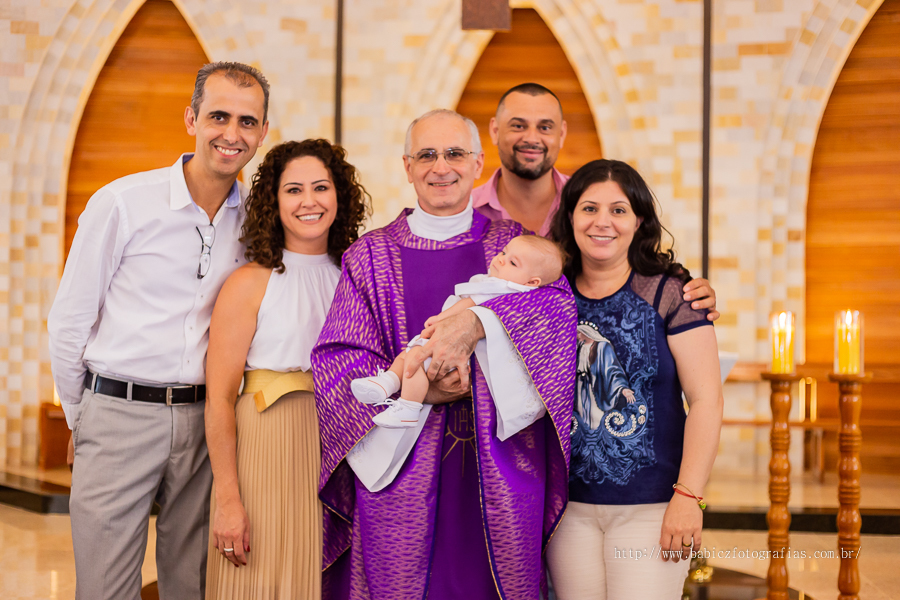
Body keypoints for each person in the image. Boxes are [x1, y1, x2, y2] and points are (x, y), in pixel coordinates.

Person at [312, 109, 577, 600]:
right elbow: (339, 359)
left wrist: (480, 322)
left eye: (455, 153)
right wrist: (422, 392)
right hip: (398, 465)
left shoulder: (512, 244)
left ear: (478, 162)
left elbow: (557, 316)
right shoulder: (370, 256)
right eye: (427, 155)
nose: (442, 167)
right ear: (407, 166)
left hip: (500, 463)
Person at [47, 61, 269, 600]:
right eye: (219, 116)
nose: (231, 134)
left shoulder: (258, 221)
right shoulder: (123, 203)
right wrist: (86, 418)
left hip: (205, 422)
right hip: (118, 412)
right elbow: (69, 321)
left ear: (263, 133)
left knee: (191, 585)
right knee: (104, 588)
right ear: (191, 119)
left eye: (247, 121)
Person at [545, 159, 724, 599]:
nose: (602, 222)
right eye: (589, 208)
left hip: (653, 505)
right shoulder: (548, 295)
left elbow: (707, 401)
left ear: (639, 219)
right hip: (568, 508)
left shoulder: (672, 293)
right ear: (570, 216)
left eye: (618, 210)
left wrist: (689, 497)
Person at [204, 139, 371, 599]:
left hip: (339, 447)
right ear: (273, 202)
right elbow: (218, 397)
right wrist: (228, 499)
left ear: (340, 195)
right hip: (265, 444)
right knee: (260, 576)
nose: (309, 201)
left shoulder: (357, 278)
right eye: (293, 190)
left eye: (320, 187)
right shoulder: (248, 283)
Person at [469, 83, 720, 320]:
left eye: (545, 127)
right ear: (494, 130)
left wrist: (685, 293)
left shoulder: (591, 204)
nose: (532, 138)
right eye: (518, 126)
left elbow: (639, 266)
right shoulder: (465, 211)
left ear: (562, 133)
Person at [350, 234, 564, 429]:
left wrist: (439, 320)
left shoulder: (505, 290)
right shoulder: (515, 290)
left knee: (415, 357)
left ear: (532, 282)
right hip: (453, 348)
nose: (500, 259)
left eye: (512, 262)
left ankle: (408, 407)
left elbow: (467, 305)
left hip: (464, 356)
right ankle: (387, 383)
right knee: (409, 355)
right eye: (503, 252)